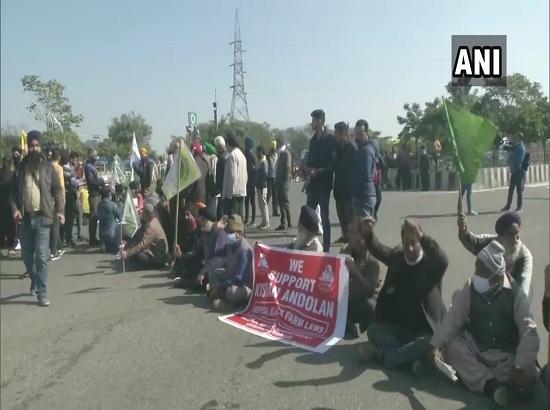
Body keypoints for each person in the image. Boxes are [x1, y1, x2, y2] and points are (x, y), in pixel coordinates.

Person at [432, 241, 539, 407]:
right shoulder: (470, 286)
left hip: (506, 357)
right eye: (476, 268)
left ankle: (485, 381)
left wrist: (520, 365)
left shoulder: (516, 294)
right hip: (477, 350)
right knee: (451, 346)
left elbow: (529, 332)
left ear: (496, 276)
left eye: (480, 271)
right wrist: (434, 346)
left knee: (529, 371)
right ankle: (492, 386)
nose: (475, 274)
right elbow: (454, 318)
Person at [358, 217, 449, 371]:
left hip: (424, 330)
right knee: (373, 330)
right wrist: (368, 234)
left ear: (421, 241)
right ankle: (413, 358)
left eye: (414, 242)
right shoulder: (397, 257)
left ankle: (381, 355)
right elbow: (378, 248)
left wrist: (423, 237)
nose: (410, 248)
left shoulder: (431, 264)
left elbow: (443, 260)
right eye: (407, 244)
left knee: (430, 342)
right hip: (399, 328)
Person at [10, 131, 65, 307]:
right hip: (26, 219)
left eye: (36, 145)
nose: (33, 148)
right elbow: (11, 194)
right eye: (31, 145)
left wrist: (61, 210)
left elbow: (57, 190)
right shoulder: (20, 168)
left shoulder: (49, 168)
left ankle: (42, 293)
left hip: (43, 219)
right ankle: (34, 279)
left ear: (41, 147)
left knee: (41, 256)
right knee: (26, 257)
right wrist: (15, 209)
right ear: (27, 147)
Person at [458, 211, 532, 299]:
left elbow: (522, 290)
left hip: (511, 301)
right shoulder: (491, 243)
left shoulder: (524, 256)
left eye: (517, 233)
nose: (516, 239)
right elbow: (473, 242)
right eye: (510, 235)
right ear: (500, 236)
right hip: (488, 297)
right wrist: (463, 229)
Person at [199, 214, 253, 311]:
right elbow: (216, 257)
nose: (228, 235)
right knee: (213, 274)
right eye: (227, 231)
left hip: (243, 286)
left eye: (231, 232)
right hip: (230, 277)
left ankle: (228, 302)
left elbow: (239, 278)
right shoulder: (230, 244)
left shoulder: (244, 251)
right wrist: (203, 271)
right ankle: (220, 296)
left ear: (239, 233)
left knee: (232, 292)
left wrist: (220, 288)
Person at [340, 218, 380, 338]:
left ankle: (360, 326)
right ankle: (348, 324)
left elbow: (370, 289)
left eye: (352, 232)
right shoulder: (344, 250)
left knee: (371, 306)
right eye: (348, 232)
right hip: (346, 298)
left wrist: (356, 271)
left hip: (363, 299)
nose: (348, 235)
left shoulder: (372, 258)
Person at [305, 109, 337, 252]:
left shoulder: (330, 139)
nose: (311, 123)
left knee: (324, 216)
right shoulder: (312, 140)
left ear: (320, 121)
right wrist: (307, 171)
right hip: (313, 184)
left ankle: (327, 249)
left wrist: (319, 170)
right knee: (309, 215)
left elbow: (332, 163)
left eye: (314, 120)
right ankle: (307, 243)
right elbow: (311, 160)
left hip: (324, 183)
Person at [173, 206, 226, 288]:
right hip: (207, 266)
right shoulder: (204, 234)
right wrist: (181, 255)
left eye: (203, 220)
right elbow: (196, 254)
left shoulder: (219, 234)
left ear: (210, 221)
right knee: (189, 264)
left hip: (218, 268)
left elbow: (218, 259)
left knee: (205, 279)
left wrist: (203, 272)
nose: (200, 223)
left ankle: (185, 282)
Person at [120, 203, 168, 271]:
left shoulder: (151, 226)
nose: (141, 213)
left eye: (143, 212)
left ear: (147, 214)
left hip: (158, 258)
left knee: (137, 254)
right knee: (133, 248)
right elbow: (139, 235)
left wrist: (127, 254)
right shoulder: (152, 221)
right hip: (155, 253)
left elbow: (142, 244)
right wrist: (128, 245)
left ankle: (142, 266)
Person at [333, 121, 356, 243]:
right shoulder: (337, 147)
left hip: (349, 191)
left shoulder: (351, 148)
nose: (335, 136)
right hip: (339, 190)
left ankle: (352, 243)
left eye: (336, 133)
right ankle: (346, 238)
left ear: (343, 133)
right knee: (342, 218)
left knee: (349, 219)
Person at [349, 119, 377, 218]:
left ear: (366, 133)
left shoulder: (366, 150)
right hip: (363, 195)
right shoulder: (360, 149)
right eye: (356, 133)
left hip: (364, 196)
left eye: (360, 133)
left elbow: (365, 175)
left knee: (363, 230)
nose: (357, 136)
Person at [222, 133, 247, 219]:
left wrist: (229, 194)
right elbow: (245, 175)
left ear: (229, 143)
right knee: (240, 217)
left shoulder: (232, 156)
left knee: (233, 220)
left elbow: (232, 177)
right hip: (241, 190)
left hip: (233, 193)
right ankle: (241, 232)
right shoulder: (242, 155)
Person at [84, 149, 104, 246]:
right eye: (95, 156)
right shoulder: (89, 167)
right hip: (94, 193)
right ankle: (92, 239)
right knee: (94, 216)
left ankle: (93, 238)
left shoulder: (91, 166)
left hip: (96, 193)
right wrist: (101, 181)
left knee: (95, 216)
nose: (96, 158)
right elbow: (91, 182)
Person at [501, 136, 526, 212]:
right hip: (514, 171)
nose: (515, 140)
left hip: (519, 171)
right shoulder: (516, 147)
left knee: (519, 190)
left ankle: (519, 207)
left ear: (520, 139)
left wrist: (512, 157)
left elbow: (519, 160)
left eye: (516, 138)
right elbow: (511, 157)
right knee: (511, 189)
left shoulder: (521, 148)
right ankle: (508, 206)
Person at [49, 148, 65, 260]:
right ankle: (54, 249)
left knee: (54, 225)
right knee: (56, 225)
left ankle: (59, 246)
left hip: (47, 198)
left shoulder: (46, 166)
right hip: (56, 198)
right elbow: (61, 186)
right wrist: (62, 200)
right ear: (59, 157)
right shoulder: (58, 168)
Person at [275, 138, 292, 231]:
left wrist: (283, 180)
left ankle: (288, 223)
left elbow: (288, 167)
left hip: (283, 182)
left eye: (278, 143)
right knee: (281, 203)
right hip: (280, 182)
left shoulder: (285, 153)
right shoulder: (281, 153)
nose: (276, 145)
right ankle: (283, 223)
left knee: (285, 203)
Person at [98, 187, 122, 253]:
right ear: (109, 195)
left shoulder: (99, 205)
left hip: (102, 235)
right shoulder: (112, 205)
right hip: (111, 234)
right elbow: (119, 216)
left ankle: (104, 245)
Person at [0, 155, 16, 250]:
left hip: (2, 202)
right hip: (9, 203)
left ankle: (1, 243)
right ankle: (10, 244)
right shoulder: (13, 174)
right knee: (10, 225)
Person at [255, 145, 269, 229]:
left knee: (263, 205)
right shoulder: (260, 161)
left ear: (261, 152)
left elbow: (264, 175)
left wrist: (261, 185)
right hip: (259, 186)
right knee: (261, 205)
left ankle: (266, 223)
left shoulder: (264, 161)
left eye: (257, 151)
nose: (256, 153)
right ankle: (263, 222)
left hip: (262, 186)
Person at [244, 137, 257, 226]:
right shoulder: (252, 155)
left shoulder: (245, 154)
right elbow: (256, 168)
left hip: (248, 180)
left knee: (248, 201)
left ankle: (249, 219)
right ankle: (251, 219)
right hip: (250, 181)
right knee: (250, 201)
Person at [214, 136, 227, 219]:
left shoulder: (221, 158)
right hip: (226, 186)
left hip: (222, 186)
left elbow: (219, 174)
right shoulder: (228, 155)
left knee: (221, 209)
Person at [267, 140, 279, 217]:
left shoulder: (277, 155)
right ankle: (264, 209)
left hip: (276, 177)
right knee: (268, 194)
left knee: (275, 195)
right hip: (269, 177)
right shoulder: (268, 156)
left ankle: (275, 211)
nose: (274, 149)